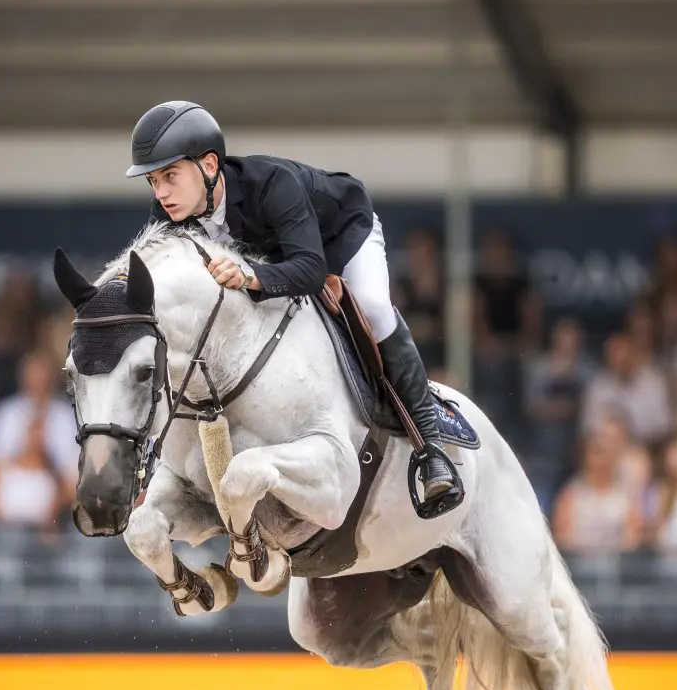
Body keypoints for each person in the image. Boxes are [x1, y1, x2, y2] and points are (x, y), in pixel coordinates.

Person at [124, 100, 462, 515]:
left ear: (210, 165)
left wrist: (251, 278)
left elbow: (311, 267)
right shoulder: (170, 214)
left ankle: (430, 446)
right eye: (153, 181)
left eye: (170, 176)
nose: (160, 192)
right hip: (280, 262)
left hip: (339, 240)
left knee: (373, 306)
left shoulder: (272, 184)